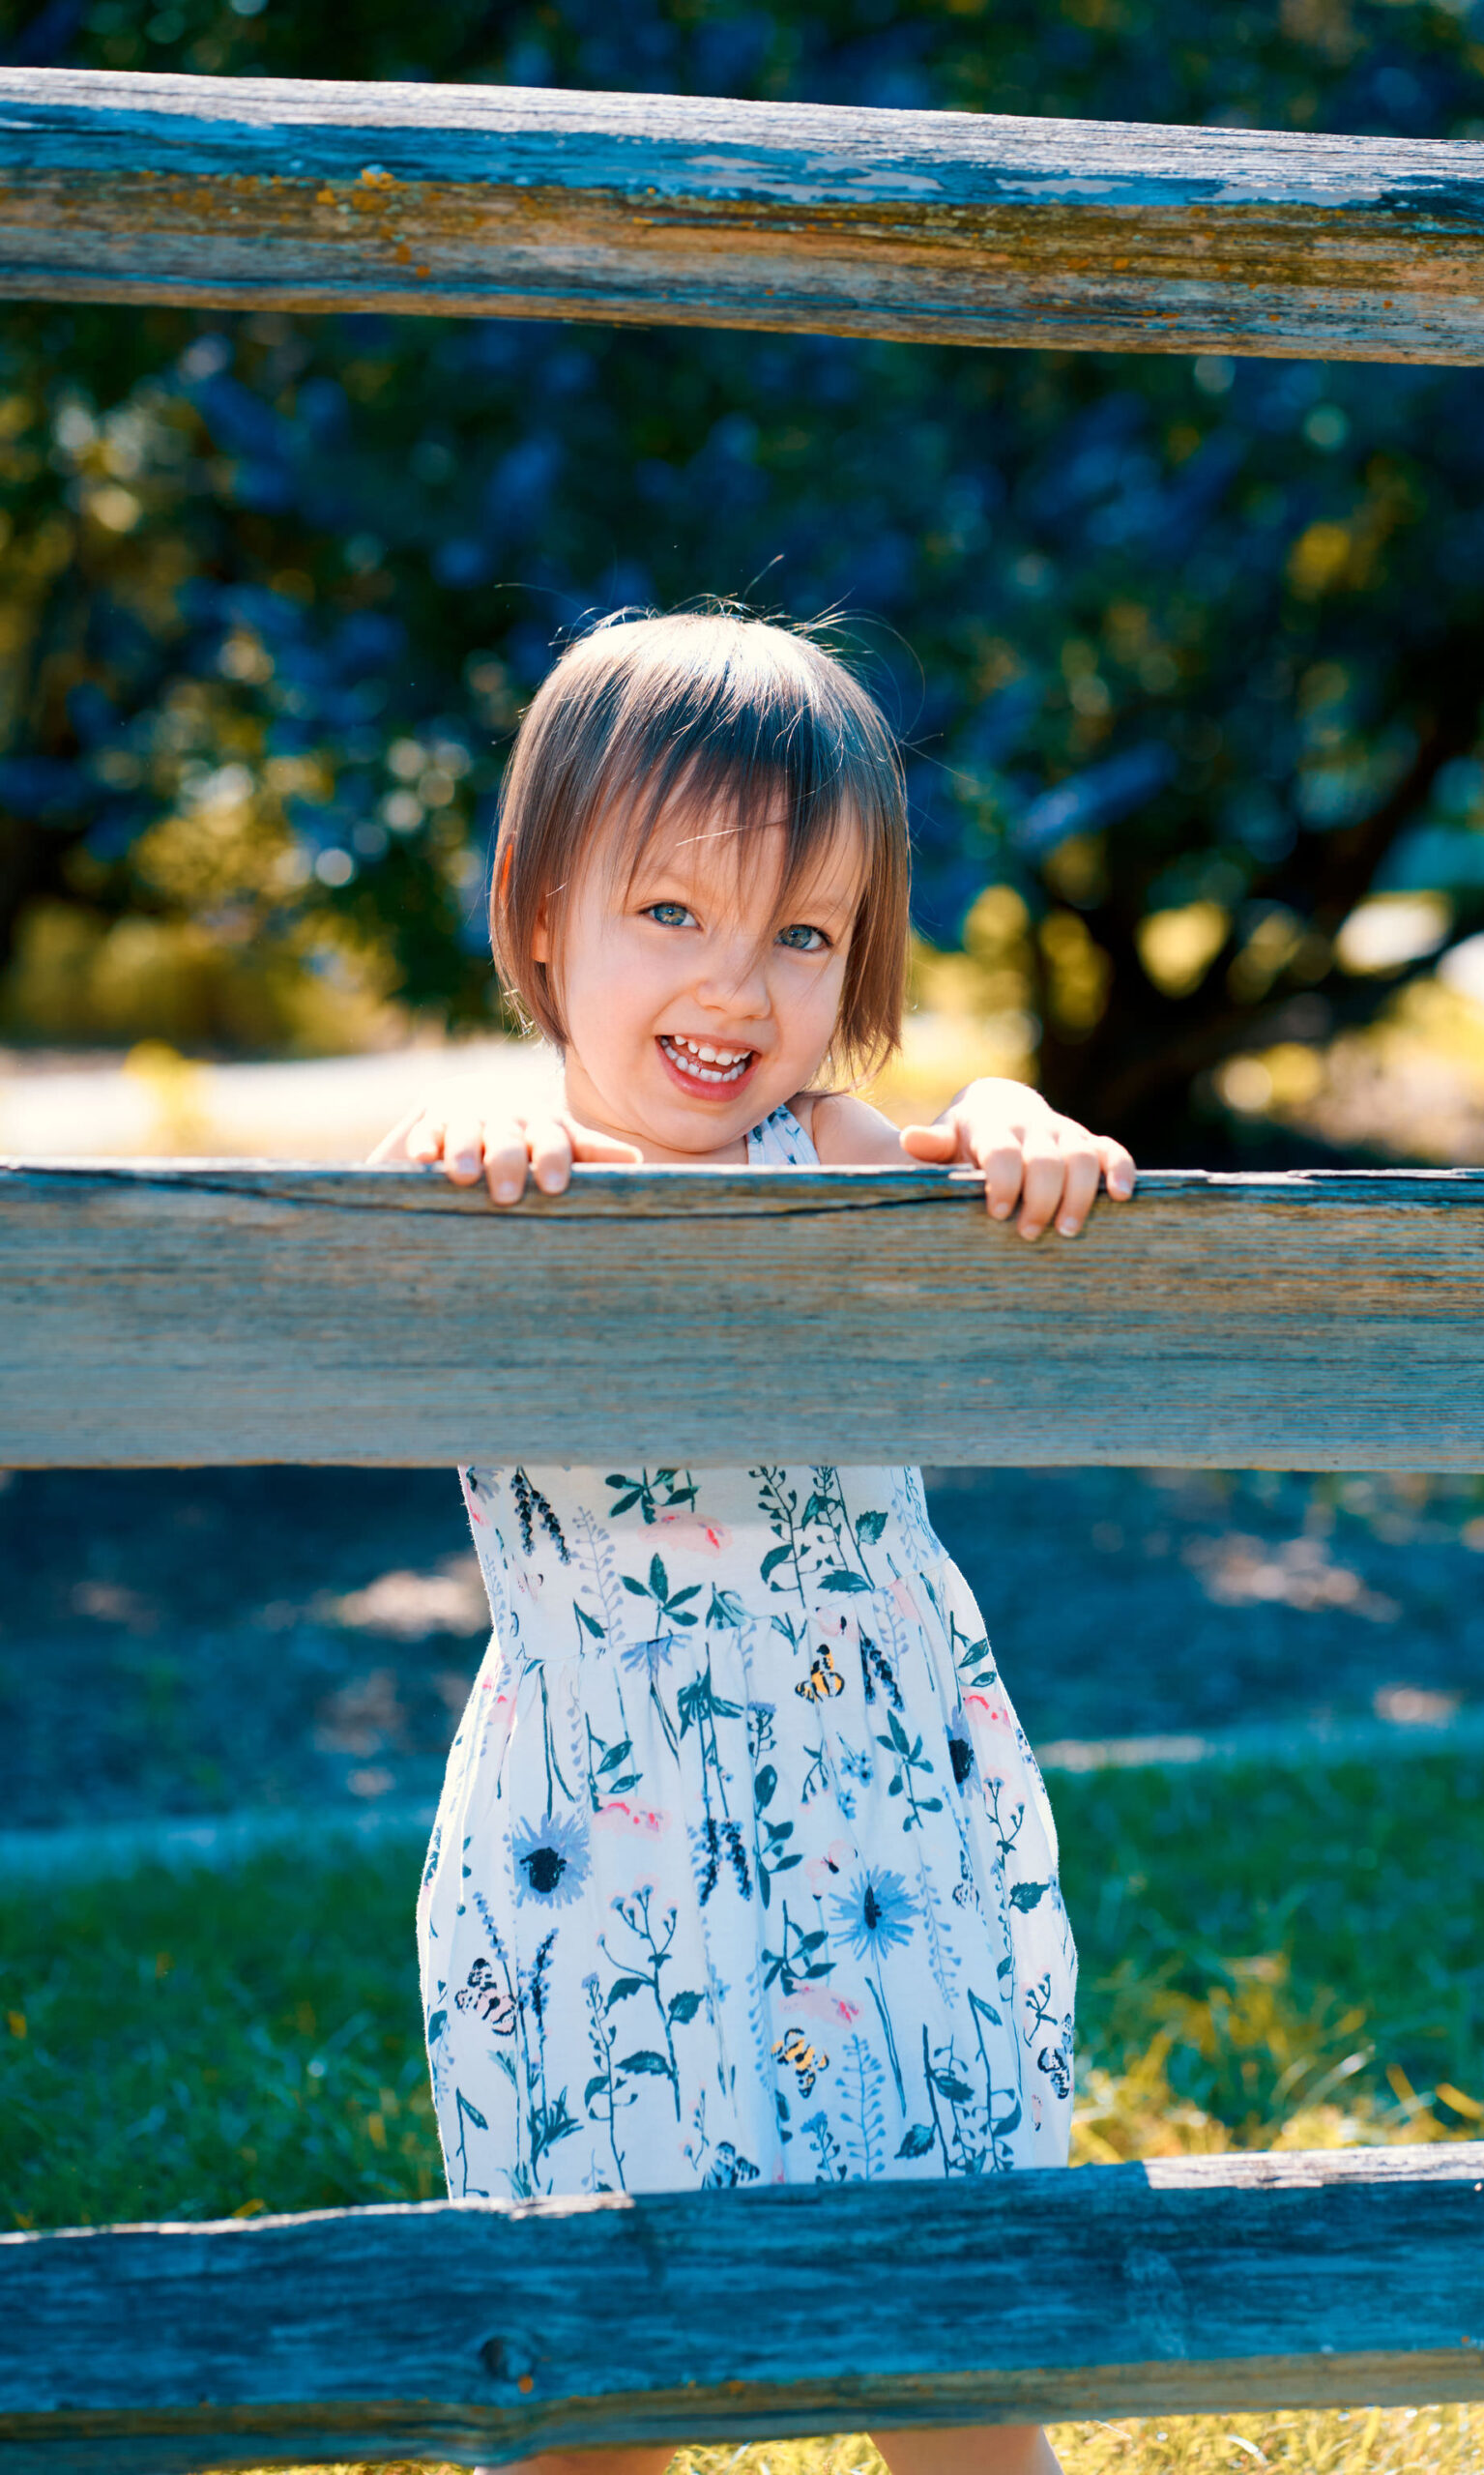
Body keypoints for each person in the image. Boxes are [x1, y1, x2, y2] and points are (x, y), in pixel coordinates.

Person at [370, 609, 1136, 2475]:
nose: (737, 985)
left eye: (804, 934)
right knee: (595, 2352)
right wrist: (463, 1157)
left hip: (881, 1833)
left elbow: (965, 1158)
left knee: (946, 2333)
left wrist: (1011, 1120)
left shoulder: (834, 1150)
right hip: (602, 1854)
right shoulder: (501, 1172)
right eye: (671, 912)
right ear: (539, 916)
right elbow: (372, 1229)